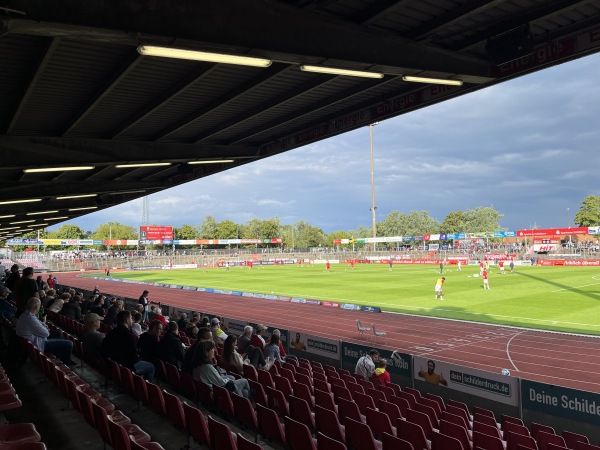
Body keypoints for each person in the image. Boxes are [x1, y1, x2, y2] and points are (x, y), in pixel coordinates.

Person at [16, 297, 75, 366]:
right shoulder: (30, 318)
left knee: (58, 333)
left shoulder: (25, 315)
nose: (40, 307)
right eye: (40, 305)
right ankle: (66, 362)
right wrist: (44, 324)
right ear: (36, 307)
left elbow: (40, 326)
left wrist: (43, 324)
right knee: (69, 343)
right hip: (40, 344)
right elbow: (46, 333)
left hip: (35, 340)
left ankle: (60, 355)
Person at [103, 310, 155, 380]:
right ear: (127, 320)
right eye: (131, 318)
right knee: (151, 367)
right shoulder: (128, 336)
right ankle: (143, 386)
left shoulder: (111, 332)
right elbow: (133, 358)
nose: (132, 320)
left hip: (115, 364)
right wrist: (139, 358)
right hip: (126, 366)